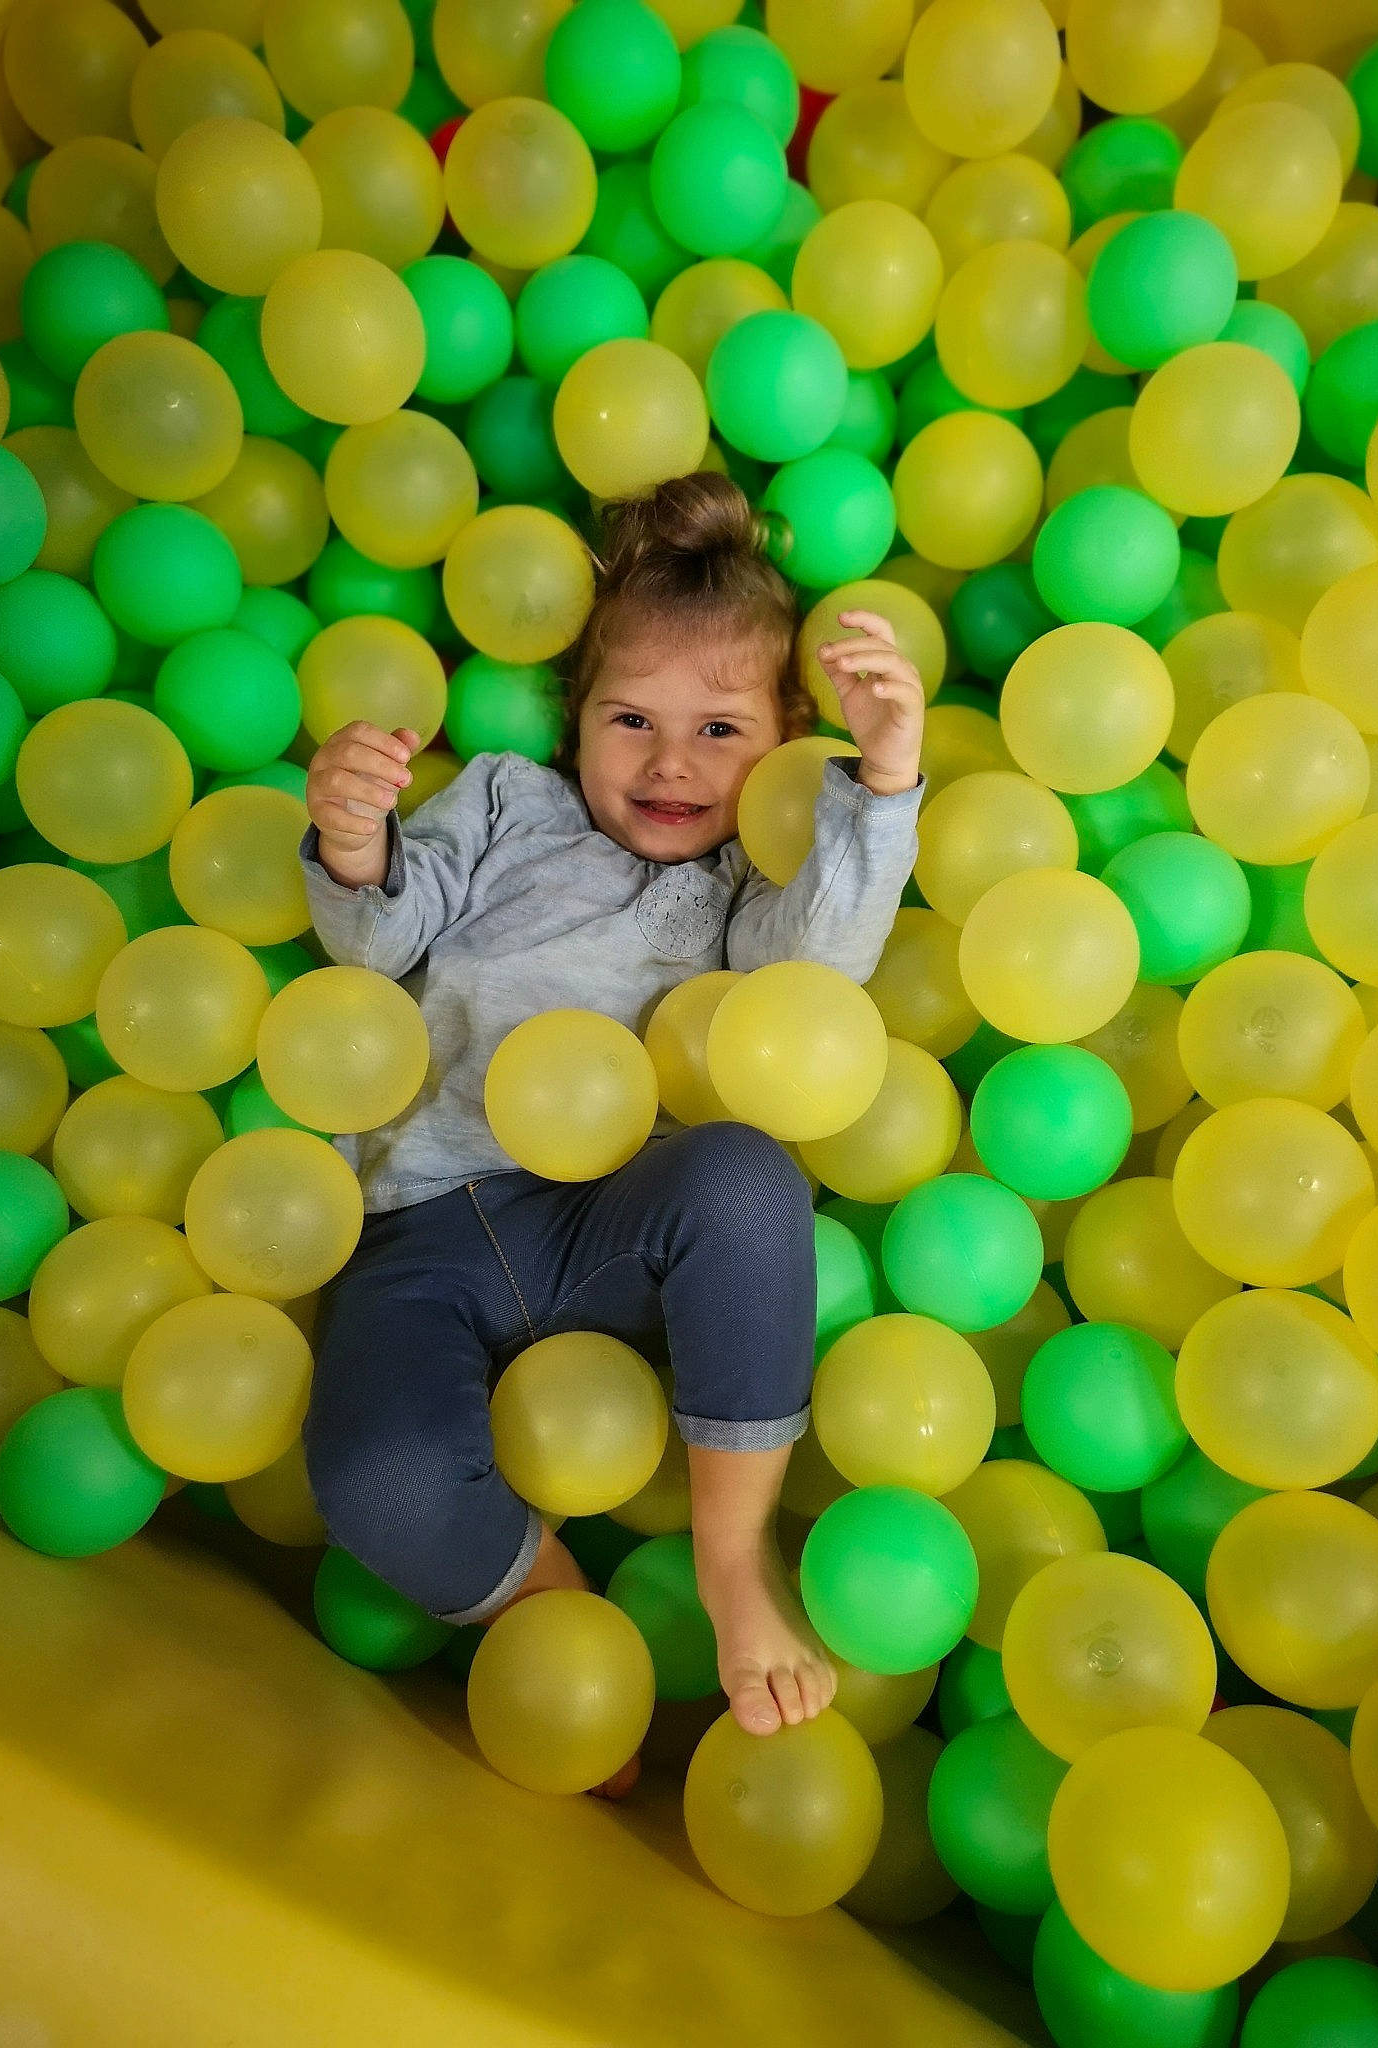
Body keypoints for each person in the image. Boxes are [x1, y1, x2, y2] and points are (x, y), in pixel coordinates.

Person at [299, 471, 926, 1797]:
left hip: (611, 1221)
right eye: (630, 718)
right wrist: (354, 838)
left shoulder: (743, 883)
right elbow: (380, 938)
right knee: (372, 1480)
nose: (668, 761)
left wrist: (882, 780)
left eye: (719, 729)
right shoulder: (508, 804)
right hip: (425, 1224)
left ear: (776, 748)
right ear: (577, 717)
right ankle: (546, 1611)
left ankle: (727, 1551)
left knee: (748, 1185)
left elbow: (816, 970)